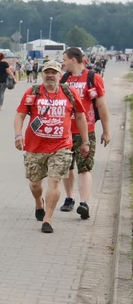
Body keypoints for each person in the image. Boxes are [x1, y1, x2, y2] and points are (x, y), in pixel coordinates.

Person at [13, 60, 89, 234]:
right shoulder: (32, 93)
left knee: (55, 181)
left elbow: (80, 117)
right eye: (47, 72)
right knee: (35, 184)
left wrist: (85, 141)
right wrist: (18, 135)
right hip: (35, 146)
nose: (50, 75)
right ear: (42, 74)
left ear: (59, 75)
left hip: (61, 146)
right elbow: (20, 115)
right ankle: (39, 203)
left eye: (53, 72)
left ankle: (47, 219)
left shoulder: (69, 93)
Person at [59, 47, 111, 218]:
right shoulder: (64, 79)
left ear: (73, 60)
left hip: (86, 132)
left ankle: (84, 203)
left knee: (84, 167)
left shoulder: (93, 78)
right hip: (65, 132)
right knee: (67, 166)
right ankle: (69, 198)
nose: (63, 63)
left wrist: (106, 131)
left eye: (65, 59)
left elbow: (102, 106)